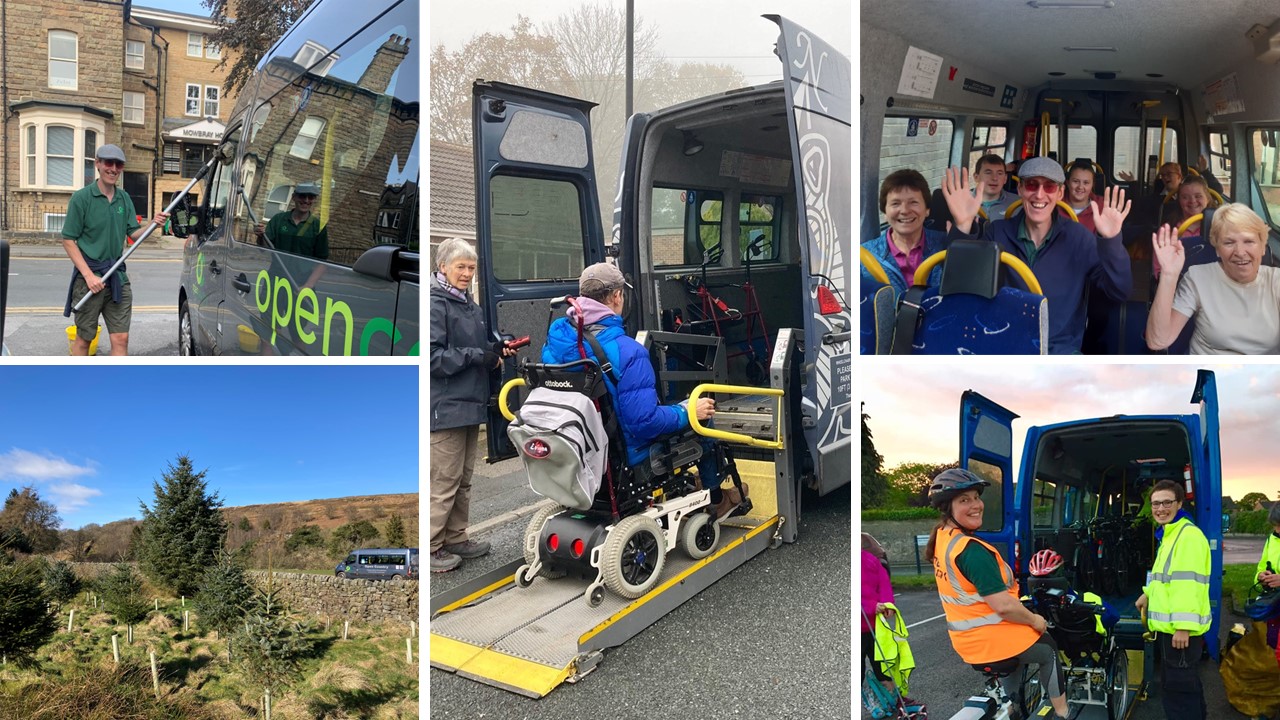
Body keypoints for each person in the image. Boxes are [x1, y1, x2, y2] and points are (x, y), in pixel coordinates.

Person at [541, 262, 742, 518]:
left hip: (580, 448)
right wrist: (688, 410)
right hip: (626, 456)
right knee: (701, 417)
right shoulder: (628, 351)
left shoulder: (553, 346)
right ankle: (716, 499)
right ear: (616, 296)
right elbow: (644, 423)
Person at [941, 156, 1132, 354]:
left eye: (1049, 187)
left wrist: (1111, 241)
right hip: (1002, 343)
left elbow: (1118, 291)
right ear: (1021, 190)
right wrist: (963, 225)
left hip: (1058, 350)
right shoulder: (997, 233)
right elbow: (960, 285)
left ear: (1060, 193)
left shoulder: (1079, 239)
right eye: (1032, 185)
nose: (1039, 195)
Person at [926, 468, 1072, 720]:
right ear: (947, 507)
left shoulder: (942, 539)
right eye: (964, 500)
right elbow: (1003, 606)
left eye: (976, 497)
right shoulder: (971, 551)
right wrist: (1036, 620)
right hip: (990, 638)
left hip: (967, 641)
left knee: (1016, 647)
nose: (976, 505)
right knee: (1047, 648)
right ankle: (1063, 712)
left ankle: (1012, 707)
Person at [429, 238, 514, 573]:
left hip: (468, 404)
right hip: (445, 407)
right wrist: (479, 356)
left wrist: (496, 349)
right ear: (443, 267)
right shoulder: (435, 305)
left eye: (470, 268)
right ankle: (431, 547)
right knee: (444, 481)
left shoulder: (469, 305)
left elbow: (474, 348)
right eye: (460, 267)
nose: (466, 274)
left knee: (463, 480)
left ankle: (456, 537)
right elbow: (434, 358)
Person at [61, 144, 168, 356]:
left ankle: (113, 385)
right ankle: (77, 385)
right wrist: (89, 276)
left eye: (118, 164)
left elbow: (133, 234)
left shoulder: (124, 198)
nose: (113, 168)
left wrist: (152, 224)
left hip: (116, 277)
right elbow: (68, 240)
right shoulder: (81, 198)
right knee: (84, 340)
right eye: (108, 162)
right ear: (98, 164)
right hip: (90, 281)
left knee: (121, 338)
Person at [1146, 203, 1280, 354]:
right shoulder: (1197, 277)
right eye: (1229, 242)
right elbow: (1157, 341)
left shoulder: (1276, 281)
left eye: (1249, 241)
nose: (1240, 252)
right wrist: (1169, 275)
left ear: (1263, 247)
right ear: (1217, 249)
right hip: (1208, 370)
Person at [1134, 479, 1211, 720]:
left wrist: (1183, 627)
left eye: (1167, 502)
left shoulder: (1187, 537)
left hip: (1179, 633)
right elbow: (1166, 578)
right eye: (1156, 503)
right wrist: (1147, 593)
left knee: (1178, 692)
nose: (1160, 508)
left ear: (1179, 504)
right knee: (1186, 685)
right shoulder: (1170, 534)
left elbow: (1188, 585)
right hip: (1172, 631)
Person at [861, 169, 945, 295]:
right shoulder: (864, 256)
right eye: (895, 203)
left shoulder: (946, 244)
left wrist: (964, 227)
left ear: (927, 209)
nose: (905, 210)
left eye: (913, 202)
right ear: (885, 213)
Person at [254, 182, 329, 262]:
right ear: (293, 197)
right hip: (276, 272)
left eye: (310, 197)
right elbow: (264, 249)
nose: (306, 200)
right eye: (302, 196)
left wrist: (311, 275)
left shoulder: (318, 226)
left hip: (304, 274)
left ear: (314, 200)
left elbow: (322, 261)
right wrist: (260, 236)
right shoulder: (278, 220)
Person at [862, 546, 898, 695]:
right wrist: (870, 606)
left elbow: (883, 583)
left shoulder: (869, 559)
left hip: (876, 625)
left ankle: (892, 698)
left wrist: (887, 603)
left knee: (883, 666)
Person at [974, 154, 1019, 220]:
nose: (994, 178)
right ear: (976, 177)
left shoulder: (1019, 204)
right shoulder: (963, 203)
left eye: (999, 173)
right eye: (988, 173)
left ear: (1005, 179)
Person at [1063, 161, 1103, 233]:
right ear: (1068, 183)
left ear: (1092, 185)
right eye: (1076, 181)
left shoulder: (1102, 206)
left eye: (1086, 183)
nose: (1080, 187)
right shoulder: (1055, 205)